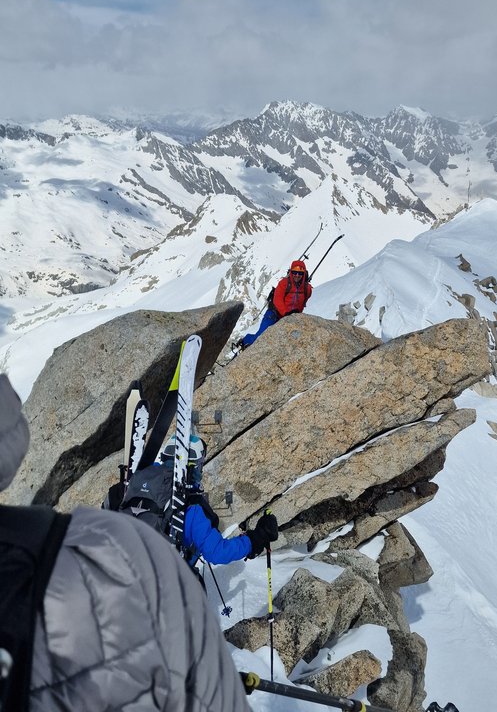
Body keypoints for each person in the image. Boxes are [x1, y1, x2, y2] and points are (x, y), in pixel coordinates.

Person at [0, 373, 251, 712]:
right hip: (159, 589)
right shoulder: (188, 508)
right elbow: (219, 553)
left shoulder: (135, 488)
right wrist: (256, 538)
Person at [120, 431, 278, 565]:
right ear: (193, 466)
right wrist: (254, 539)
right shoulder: (190, 505)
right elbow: (217, 553)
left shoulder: (129, 489)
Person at [237, 259, 313, 349]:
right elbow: (277, 300)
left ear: (304, 274)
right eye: (294, 272)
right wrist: (286, 313)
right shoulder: (284, 283)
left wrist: (295, 316)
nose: (297, 275)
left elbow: (302, 304)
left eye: (300, 273)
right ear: (291, 272)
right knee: (261, 336)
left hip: (289, 318)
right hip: (274, 314)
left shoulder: (307, 289)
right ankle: (245, 341)